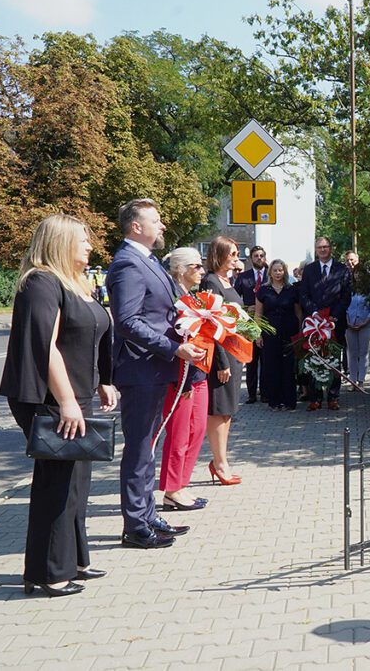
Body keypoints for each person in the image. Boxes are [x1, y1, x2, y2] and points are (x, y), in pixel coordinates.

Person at [0, 214, 118, 596]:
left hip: (79, 395)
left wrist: (101, 382)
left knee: (77, 484)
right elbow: (45, 346)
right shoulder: (41, 283)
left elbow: (85, 338)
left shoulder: (75, 283)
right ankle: (49, 573)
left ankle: (73, 560)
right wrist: (67, 400)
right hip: (53, 400)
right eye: (83, 240)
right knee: (57, 485)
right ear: (61, 242)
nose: (90, 246)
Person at [107, 199, 202, 549]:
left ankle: (147, 515)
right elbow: (129, 321)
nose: (162, 226)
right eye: (156, 220)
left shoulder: (147, 261)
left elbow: (165, 310)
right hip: (140, 368)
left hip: (155, 367)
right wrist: (173, 347)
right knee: (138, 449)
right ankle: (135, 525)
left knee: (148, 447)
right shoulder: (128, 264)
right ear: (136, 227)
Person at [158, 248, 210, 511]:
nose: (201, 271)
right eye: (196, 266)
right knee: (179, 435)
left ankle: (182, 484)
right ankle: (172, 489)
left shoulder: (191, 296)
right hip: (180, 376)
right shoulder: (173, 298)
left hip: (198, 371)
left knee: (197, 430)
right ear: (180, 269)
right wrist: (185, 380)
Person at [200, 237, 246, 485]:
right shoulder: (210, 281)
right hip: (221, 356)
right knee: (218, 411)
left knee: (228, 411)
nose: (237, 257)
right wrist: (221, 363)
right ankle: (219, 463)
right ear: (220, 254)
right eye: (233, 253)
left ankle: (221, 460)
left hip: (233, 352)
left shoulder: (228, 280)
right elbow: (210, 324)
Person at [298, 237, 351, 411]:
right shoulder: (310, 270)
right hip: (314, 322)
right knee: (314, 358)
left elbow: (346, 296)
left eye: (326, 246)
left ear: (331, 248)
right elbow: (304, 294)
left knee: (334, 359)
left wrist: (333, 316)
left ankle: (333, 397)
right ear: (315, 249)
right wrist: (315, 314)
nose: (323, 250)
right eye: (320, 247)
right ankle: (315, 398)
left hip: (335, 322)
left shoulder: (342, 269)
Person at [256, 259, 303, 410]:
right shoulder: (263, 291)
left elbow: (298, 313)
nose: (278, 273)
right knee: (272, 366)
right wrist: (257, 335)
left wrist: (301, 333)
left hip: (289, 332)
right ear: (270, 272)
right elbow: (258, 314)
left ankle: (289, 401)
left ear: (285, 272)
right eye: (275, 270)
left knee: (289, 367)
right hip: (269, 334)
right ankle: (274, 401)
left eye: (280, 270)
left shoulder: (292, 290)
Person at [234, 246, 268, 404]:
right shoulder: (243, 277)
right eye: (256, 256)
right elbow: (234, 300)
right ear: (251, 259)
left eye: (261, 255)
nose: (259, 258)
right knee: (252, 360)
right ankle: (252, 393)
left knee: (267, 360)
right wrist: (247, 308)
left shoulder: (272, 275)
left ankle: (266, 391)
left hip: (268, 322)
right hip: (249, 322)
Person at [345, 265, 370, 390]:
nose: (358, 276)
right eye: (356, 273)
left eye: (360, 273)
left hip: (365, 325)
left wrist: (365, 322)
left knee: (363, 353)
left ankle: (361, 381)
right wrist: (347, 321)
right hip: (350, 325)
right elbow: (345, 306)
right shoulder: (349, 288)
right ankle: (352, 381)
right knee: (352, 353)